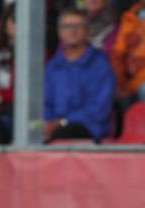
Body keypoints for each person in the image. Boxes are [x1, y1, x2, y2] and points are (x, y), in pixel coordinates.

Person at [43, 9, 116, 142]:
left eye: (78, 26)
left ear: (88, 32)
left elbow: (99, 109)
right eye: (67, 27)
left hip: (90, 128)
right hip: (54, 127)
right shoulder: (53, 66)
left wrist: (62, 122)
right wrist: (48, 123)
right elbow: (45, 102)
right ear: (59, 32)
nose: (72, 31)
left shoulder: (100, 65)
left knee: (59, 136)